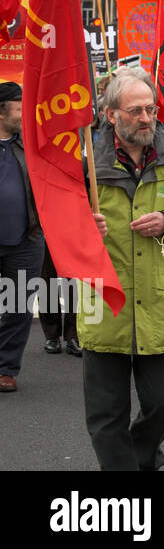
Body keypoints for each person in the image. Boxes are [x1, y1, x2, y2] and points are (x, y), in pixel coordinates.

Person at [82, 67, 164, 471]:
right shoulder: (85, 160)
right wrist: (83, 225)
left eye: (151, 110)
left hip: (160, 303)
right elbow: (54, 225)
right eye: (136, 110)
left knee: (162, 403)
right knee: (106, 415)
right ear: (111, 115)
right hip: (104, 301)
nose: (146, 118)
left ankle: (140, 459)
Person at [0, 83, 45, 391]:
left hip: (25, 239)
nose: (23, 114)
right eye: (18, 109)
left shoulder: (29, 144)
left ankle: (5, 367)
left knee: (18, 304)